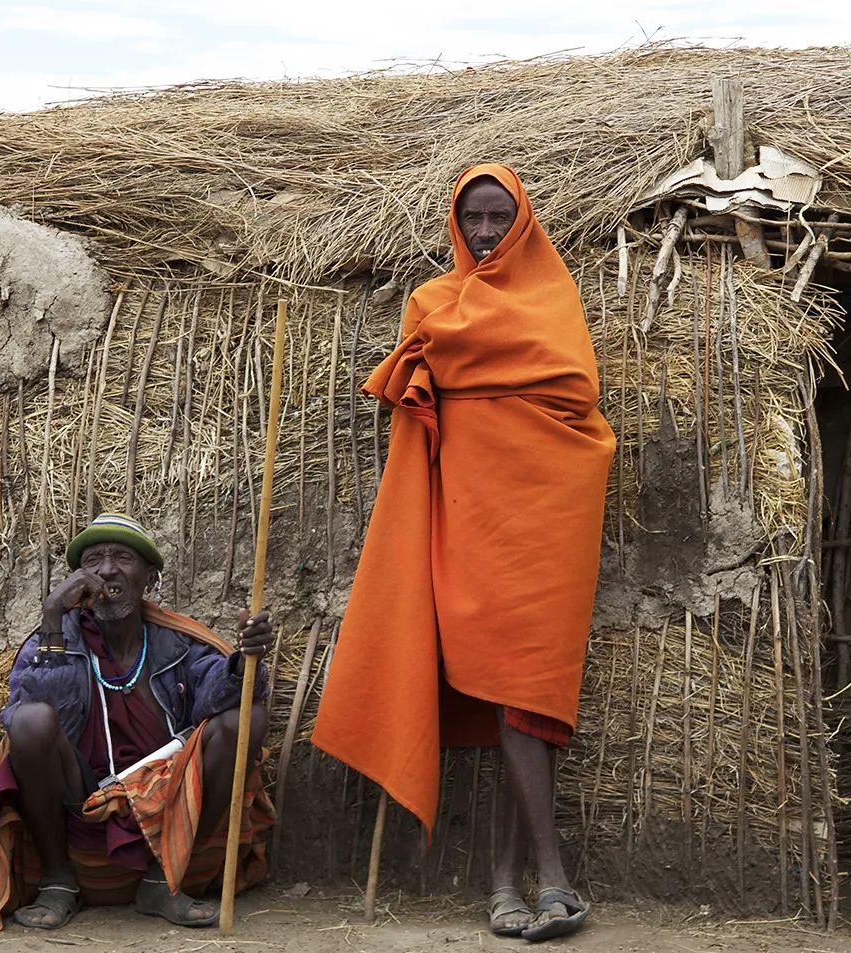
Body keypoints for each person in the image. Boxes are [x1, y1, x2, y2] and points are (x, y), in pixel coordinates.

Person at [311, 164, 615, 942]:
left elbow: (575, 395)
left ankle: (520, 881)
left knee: (530, 693)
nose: (483, 233)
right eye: (472, 218)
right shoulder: (432, 304)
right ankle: (540, 880)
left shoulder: (556, 298)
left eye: (497, 218)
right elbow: (419, 405)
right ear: (456, 224)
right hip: (471, 516)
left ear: (521, 223)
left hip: (549, 511)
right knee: (507, 687)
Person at [0, 513, 274, 933]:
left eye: (122, 557)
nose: (107, 570)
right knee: (31, 721)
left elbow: (217, 696)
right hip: (78, 802)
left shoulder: (177, 641)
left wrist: (245, 660)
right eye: (94, 561)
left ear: (149, 576)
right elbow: (36, 722)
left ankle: (163, 880)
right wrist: (53, 617)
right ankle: (58, 880)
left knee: (245, 718)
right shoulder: (54, 638)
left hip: (165, 803)